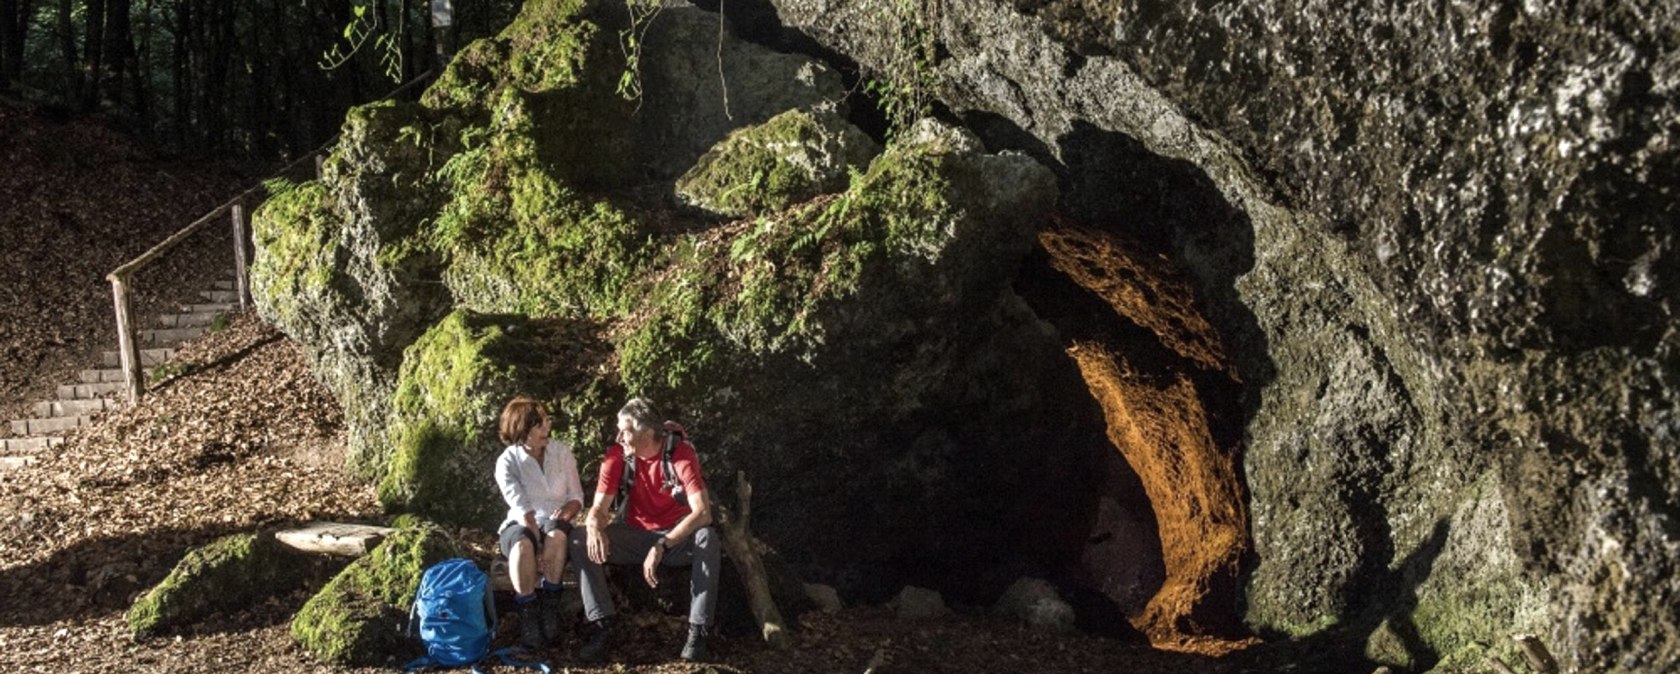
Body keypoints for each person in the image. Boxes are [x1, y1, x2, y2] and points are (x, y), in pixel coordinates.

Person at [569, 398, 720, 662]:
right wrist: (593, 525)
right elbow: (599, 508)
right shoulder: (617, 455)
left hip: (675, 540)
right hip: (635, 535)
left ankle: (699, 632)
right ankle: (602, 623)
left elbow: (703, 512)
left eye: (625, 430)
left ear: (647, 432)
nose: (619, 436)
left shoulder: (680, 454)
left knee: (707, 538)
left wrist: (663, 545)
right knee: (581, 538)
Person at [493, 396, 584, 651]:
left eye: (546, 422)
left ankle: (551, 606)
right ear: (523, 431)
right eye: (539, 425)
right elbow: (523, 512)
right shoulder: (507, 462)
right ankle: (528, 611)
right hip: (523, 522)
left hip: (556, 520)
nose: (547, 429)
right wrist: (537, 548)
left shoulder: (561, 451)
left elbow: (577, 497)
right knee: (523, 545)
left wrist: (566, 512)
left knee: (557, 536)